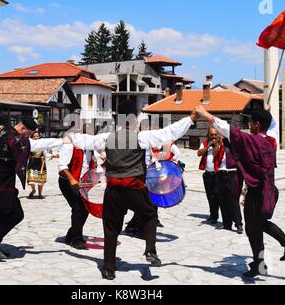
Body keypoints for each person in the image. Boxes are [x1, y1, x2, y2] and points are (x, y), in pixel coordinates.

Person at [66, 100, 197, 280]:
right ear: (133, 120)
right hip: (135, 188)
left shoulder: (106, 138)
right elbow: (168, 133)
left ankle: (109, 269)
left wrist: (70, 136)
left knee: (111, 228)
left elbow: (84, 141)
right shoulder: (141, 137)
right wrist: (190, 118)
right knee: (150, 214)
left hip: (113, 191)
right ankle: (150, 250)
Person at [195, 105, 285, 278]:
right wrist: (266, 111)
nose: (249, 126)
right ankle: (274, 254)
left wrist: (205, 114)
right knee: (257, 226)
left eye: (251, 123)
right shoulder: (272, 140)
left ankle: (277, 253)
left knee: (254, 228)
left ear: (257, 125)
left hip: (258, 193)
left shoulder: (253, 141)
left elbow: (228, 130)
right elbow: (272, 125)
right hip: (269, 190)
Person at [0, 118, 63, 261]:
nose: (27, 137)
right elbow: (34, 145)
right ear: (22, 129)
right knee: (16, 215)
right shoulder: (13, 138)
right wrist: (61, 141)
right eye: (28, 134)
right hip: (1, 185)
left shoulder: (2, 132)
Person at [58, 124, 96, 250]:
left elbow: (91, 163)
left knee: (85, 209)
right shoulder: (70, 145)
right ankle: (76, 239)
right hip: (67, 182)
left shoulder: (90, 148)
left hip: (83, 183)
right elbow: (62, 167)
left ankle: (71, 234)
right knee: (78, 207)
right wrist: (72, 179)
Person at [215, 136, 244, 234]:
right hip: (220, 173)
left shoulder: (233, 146)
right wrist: (218, 145)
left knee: (233, 200)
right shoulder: (219, 146)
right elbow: (214, 156)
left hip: (232, 174)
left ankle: (238, 224)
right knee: (222, 199)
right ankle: (227, 223)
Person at [197, 128, 221, 224]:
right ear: (208, 135)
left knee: (216, 195)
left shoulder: (219, 144)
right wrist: (208, 146)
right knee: (209, 196)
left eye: (215, 134)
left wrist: (215, 145)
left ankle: (215, 216)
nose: (214, 136)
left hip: (217, 174)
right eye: (212, 134)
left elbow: (215, 154)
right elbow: (199, 153)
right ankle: (212, 214)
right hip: (207, 174)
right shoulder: (205, 142)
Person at [27, 131, 59, 199]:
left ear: (39, 137)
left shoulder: (42, 145)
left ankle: (40, 194)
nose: (35, 137)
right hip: (32, 164)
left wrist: (53, 155)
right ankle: (33, 190)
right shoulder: (29, 144)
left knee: (40, 181)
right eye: (34, 136)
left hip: (40, 164)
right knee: (31, 181)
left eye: (37, 136)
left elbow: (46, 155)